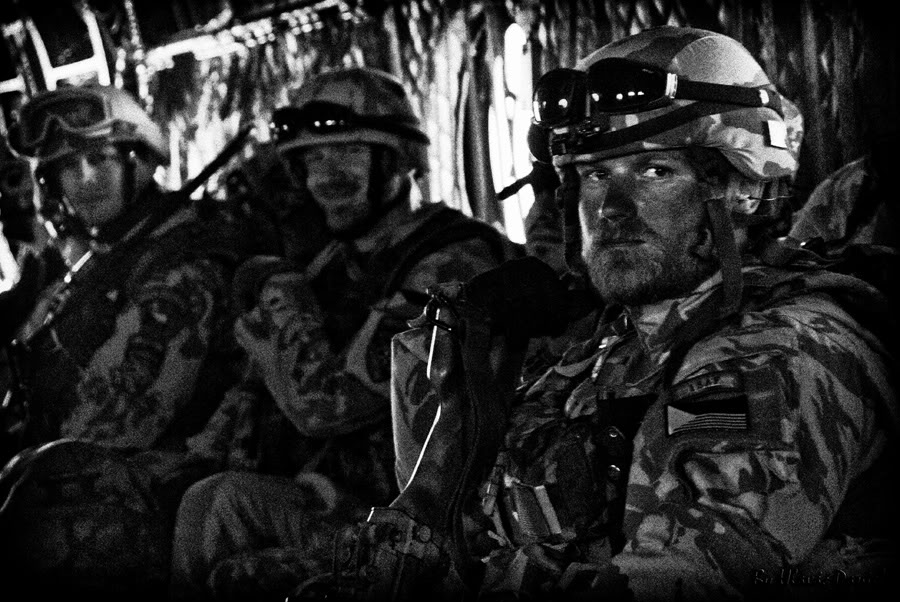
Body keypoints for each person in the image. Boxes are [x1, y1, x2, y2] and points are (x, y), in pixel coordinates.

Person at [292, 27, 898, 602]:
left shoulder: (776, 354)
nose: (610, 207)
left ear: (743, 190)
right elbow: (491, 532)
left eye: (655, 172)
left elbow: (677, 579)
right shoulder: (612, 350)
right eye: (594, 175)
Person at [167, 67, 520, 602]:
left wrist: (281, 291)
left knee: (234, 555)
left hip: (430, 524)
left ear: (400, 159)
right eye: (312, 160)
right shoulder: (335, 260)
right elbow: (251, 395)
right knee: (208, 499)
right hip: (345, 498)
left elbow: (328, 408)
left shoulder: (452, 259)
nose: (324, 177)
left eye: (348, 153)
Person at [0, 84, 252, 600]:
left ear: (137, 161)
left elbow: (107, 434)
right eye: (68, 167)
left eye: (100, 159)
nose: (85, 179)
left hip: (147, 503)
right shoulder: (94, 260)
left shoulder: (182, 264)